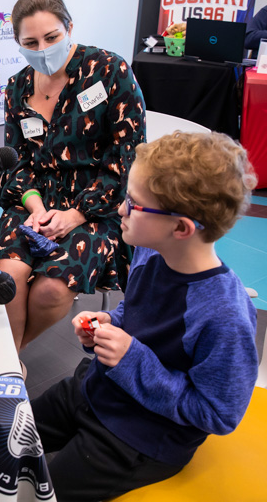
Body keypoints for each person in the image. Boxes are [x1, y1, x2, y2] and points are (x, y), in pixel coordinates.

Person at [31, 132, 258, 501]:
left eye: (135, 204)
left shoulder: (225, 316)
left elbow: (218, 414)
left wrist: (131, 358)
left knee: (44, 494)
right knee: (4, 442)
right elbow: (134, 313)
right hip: (94, 388)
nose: (120, 209)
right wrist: (110, 327)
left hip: (139, 437)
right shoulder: (152, 251)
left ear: (180, 228)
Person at [0, 0, 146, 352]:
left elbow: (129, 161)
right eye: (30, 42)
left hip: (99, 206)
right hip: (35, 204)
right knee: (7, 277)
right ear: (17, 43)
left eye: (52, 37)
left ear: (70, 28)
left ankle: (7, 359)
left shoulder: (110, 72)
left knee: (50, 289)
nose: (43, 49)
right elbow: (14, 161)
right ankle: (12, 363)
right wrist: (36, 207)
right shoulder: (17, 88)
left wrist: (75, 214)